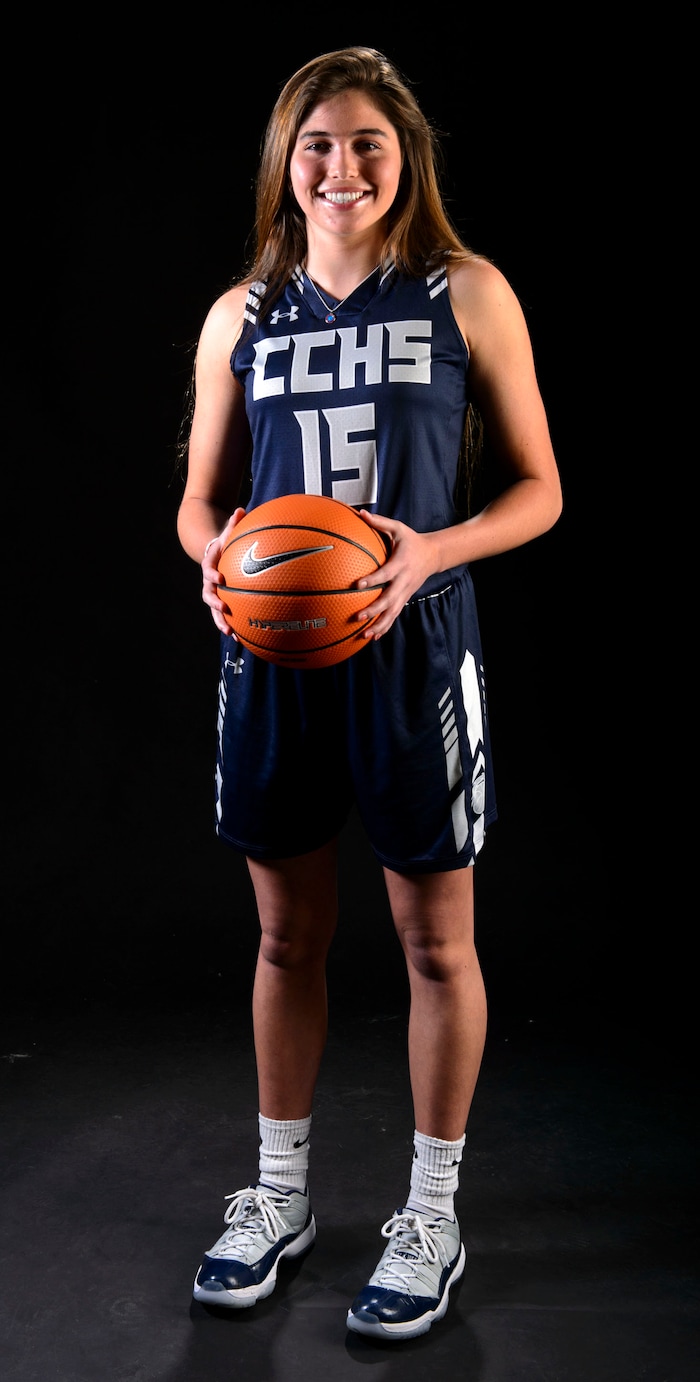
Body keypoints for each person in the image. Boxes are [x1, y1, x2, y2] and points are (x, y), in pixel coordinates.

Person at [176, 45, 562, 1342]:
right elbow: (197, 501)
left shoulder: (466, 292)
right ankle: (279, 1196)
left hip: (416, 652)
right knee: (285, 938)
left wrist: (429, 553)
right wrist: (219, 568)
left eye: (367, 144)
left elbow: (539, 488)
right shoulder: (242, 314)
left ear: (408, 160)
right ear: (288, 162)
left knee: (433, 944)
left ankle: (431, 1212)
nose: (342, 168)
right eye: (319, 144)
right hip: (273, 661)